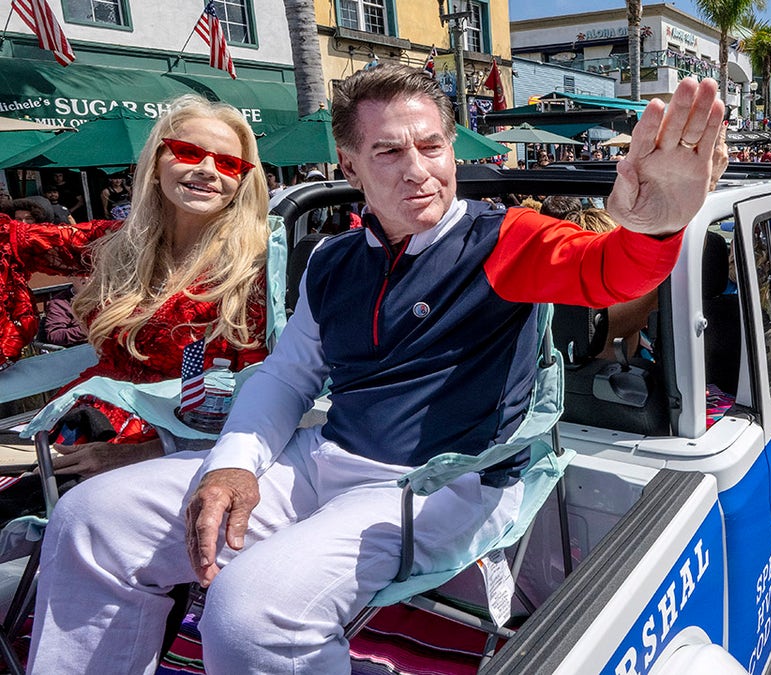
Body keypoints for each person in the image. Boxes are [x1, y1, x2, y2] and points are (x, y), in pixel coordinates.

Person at [29, 66, 726, 673]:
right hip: (325, 456)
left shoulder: (506, 237)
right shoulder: (333, 261)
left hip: (445, 482)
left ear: (451, 148)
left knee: (248, 612)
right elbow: (288, 375)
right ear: (350, 166)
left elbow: (603, 271)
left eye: (431, 145)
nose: (418, 169)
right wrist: (235, 462)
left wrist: (654, 229)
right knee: (93, 518)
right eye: (389, 151)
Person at [0, 94, 270, 476]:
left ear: (242, 181)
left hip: (183, 453)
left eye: (227, 163)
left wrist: (142, 453)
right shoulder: (115, 243)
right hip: (83, 427)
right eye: (188, 152)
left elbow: (260, 393)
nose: (208, 169)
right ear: (156, 165)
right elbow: (10, 239)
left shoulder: (259, 264)